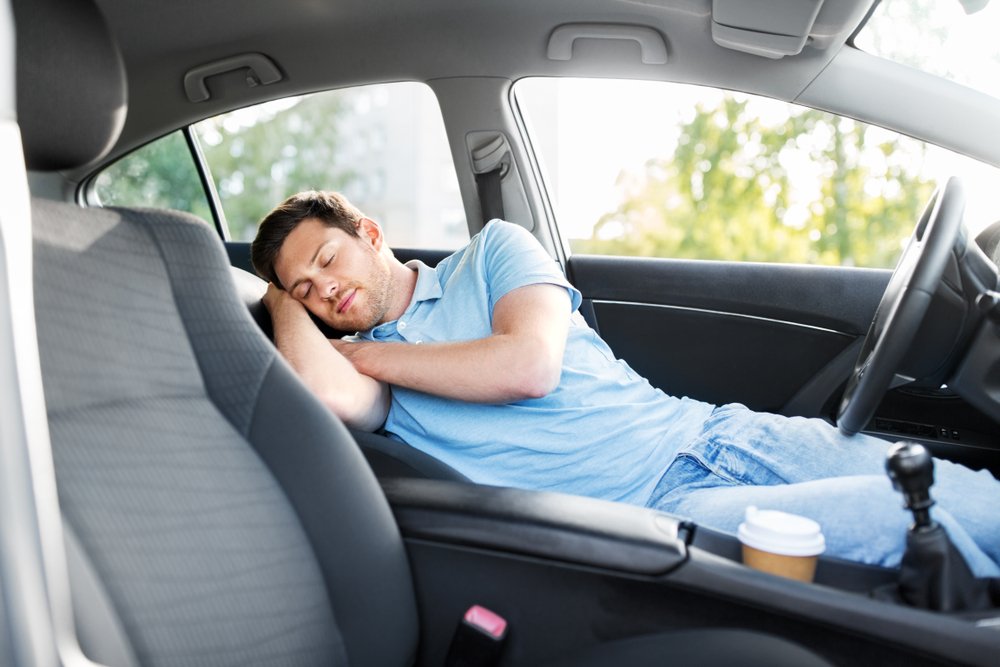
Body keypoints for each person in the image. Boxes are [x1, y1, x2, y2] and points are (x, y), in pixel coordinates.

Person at [251, 190, 1000, 576]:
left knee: (972, 498)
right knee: (924, 526)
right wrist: (279, 301)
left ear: (371, 234)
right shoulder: (355, 365)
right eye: (305, 288)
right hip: (660, 514)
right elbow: (322, 395)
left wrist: (364, 355)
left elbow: (528, 365)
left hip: (714, 437)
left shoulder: (491, 255)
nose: (324, 288)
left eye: (327, 258)